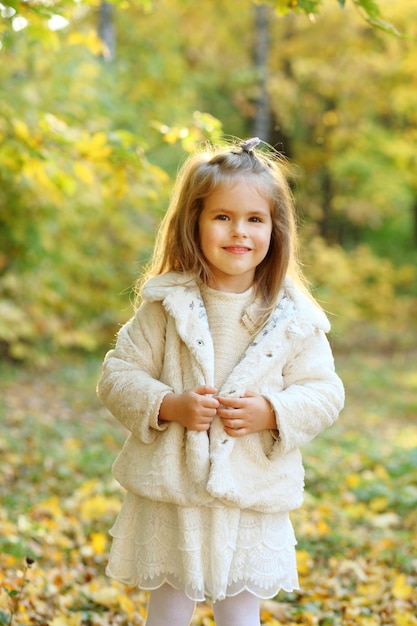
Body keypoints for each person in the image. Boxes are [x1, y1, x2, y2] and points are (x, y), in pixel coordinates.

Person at [97, 137, 344, 626]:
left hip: (249, 491)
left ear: (276, 229)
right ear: (195, 222)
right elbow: (117, 374)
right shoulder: (166, 306)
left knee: (239, 614)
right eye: (222, 217)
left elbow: (324, 391)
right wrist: (168, 404)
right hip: (174, 490)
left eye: (255, 219)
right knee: (167, 609)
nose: (240, 232)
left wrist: (272, 411)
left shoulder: (292, 318)